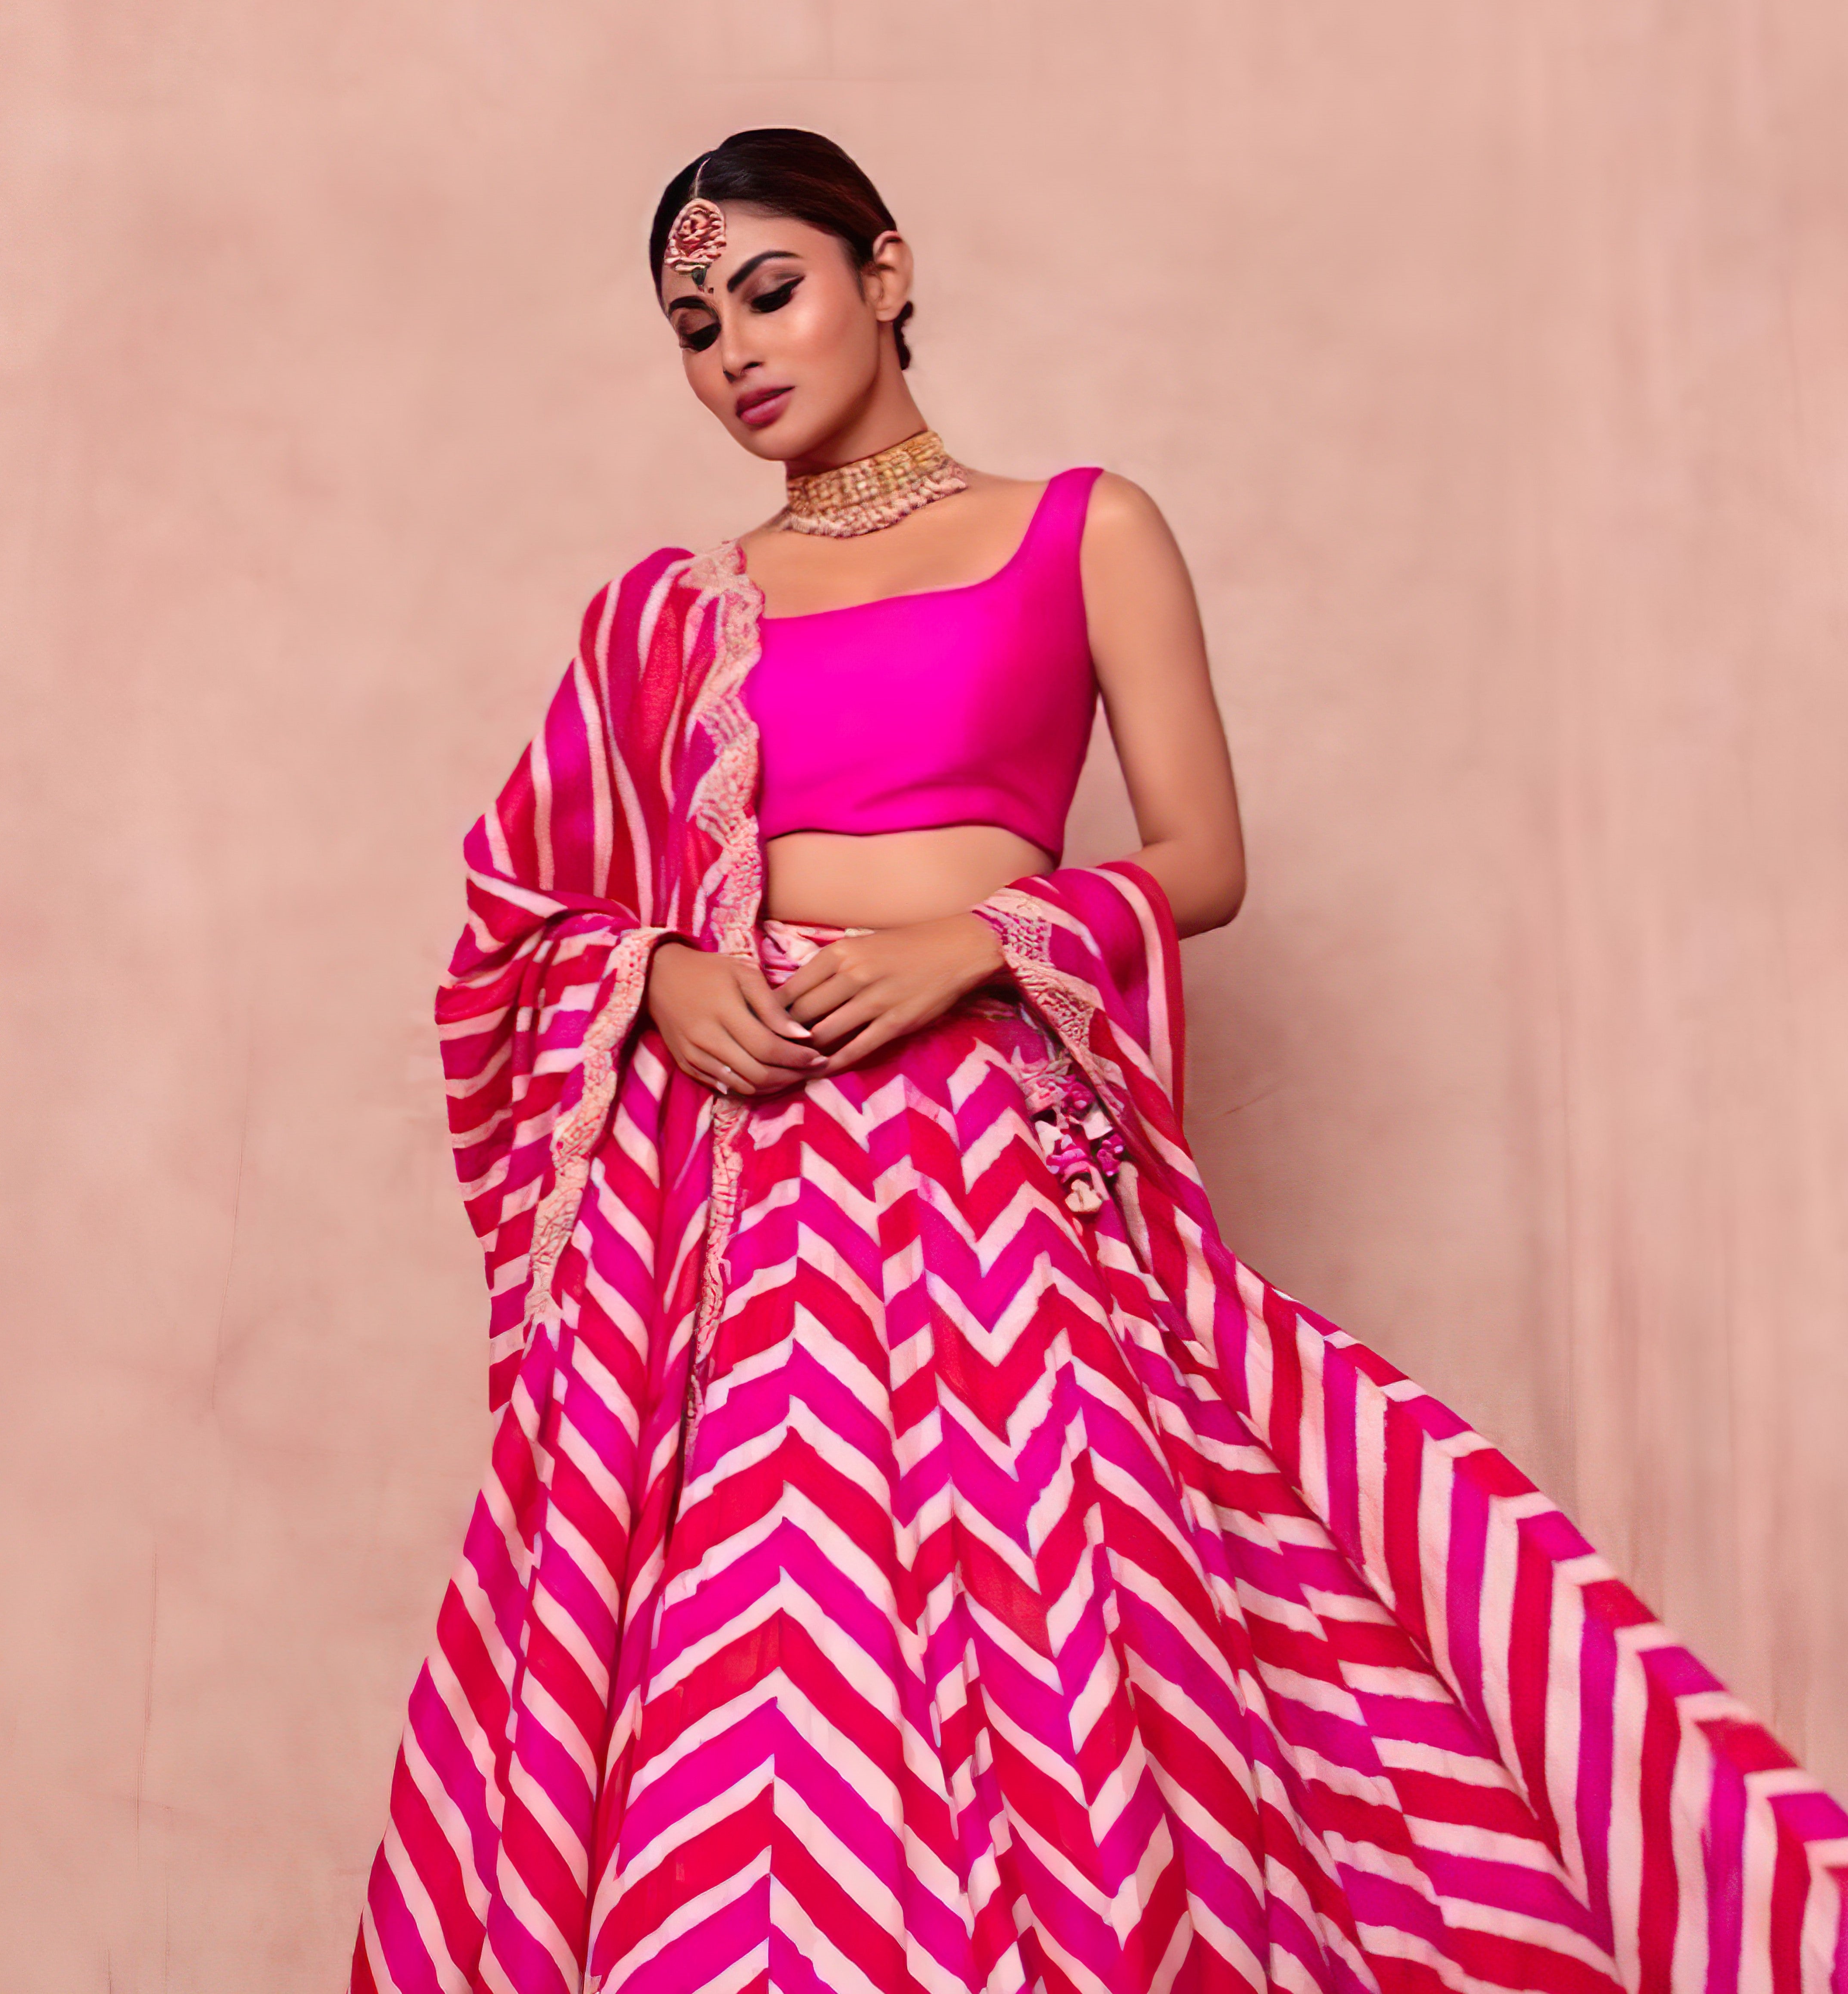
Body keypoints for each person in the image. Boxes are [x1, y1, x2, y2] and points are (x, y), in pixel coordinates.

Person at [348, 129, 1847, 1994]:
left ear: (886, 273)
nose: (735, 350)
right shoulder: (665, 612)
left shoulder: (1081, 528)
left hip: (987, 1144)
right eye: (693, 326)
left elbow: (1200, 859)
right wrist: (651, 973)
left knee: (1066, 1601)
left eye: (770, 290)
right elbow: (522, 899)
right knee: (755, 1633)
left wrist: (979, 941)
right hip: (744, 1186)